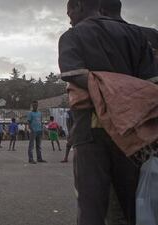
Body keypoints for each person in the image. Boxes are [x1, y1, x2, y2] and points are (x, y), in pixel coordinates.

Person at [59, 1, 158, 224]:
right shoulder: (137, 35)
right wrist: (126, 93)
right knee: (132, 203)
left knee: (91, 205)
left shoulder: (73, 36)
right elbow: (150, 84)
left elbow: (73, 74)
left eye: (71, 12)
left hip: (91, 132)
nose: (70, 18)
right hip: (131, 132)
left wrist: (107, 88)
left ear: (80, 6)